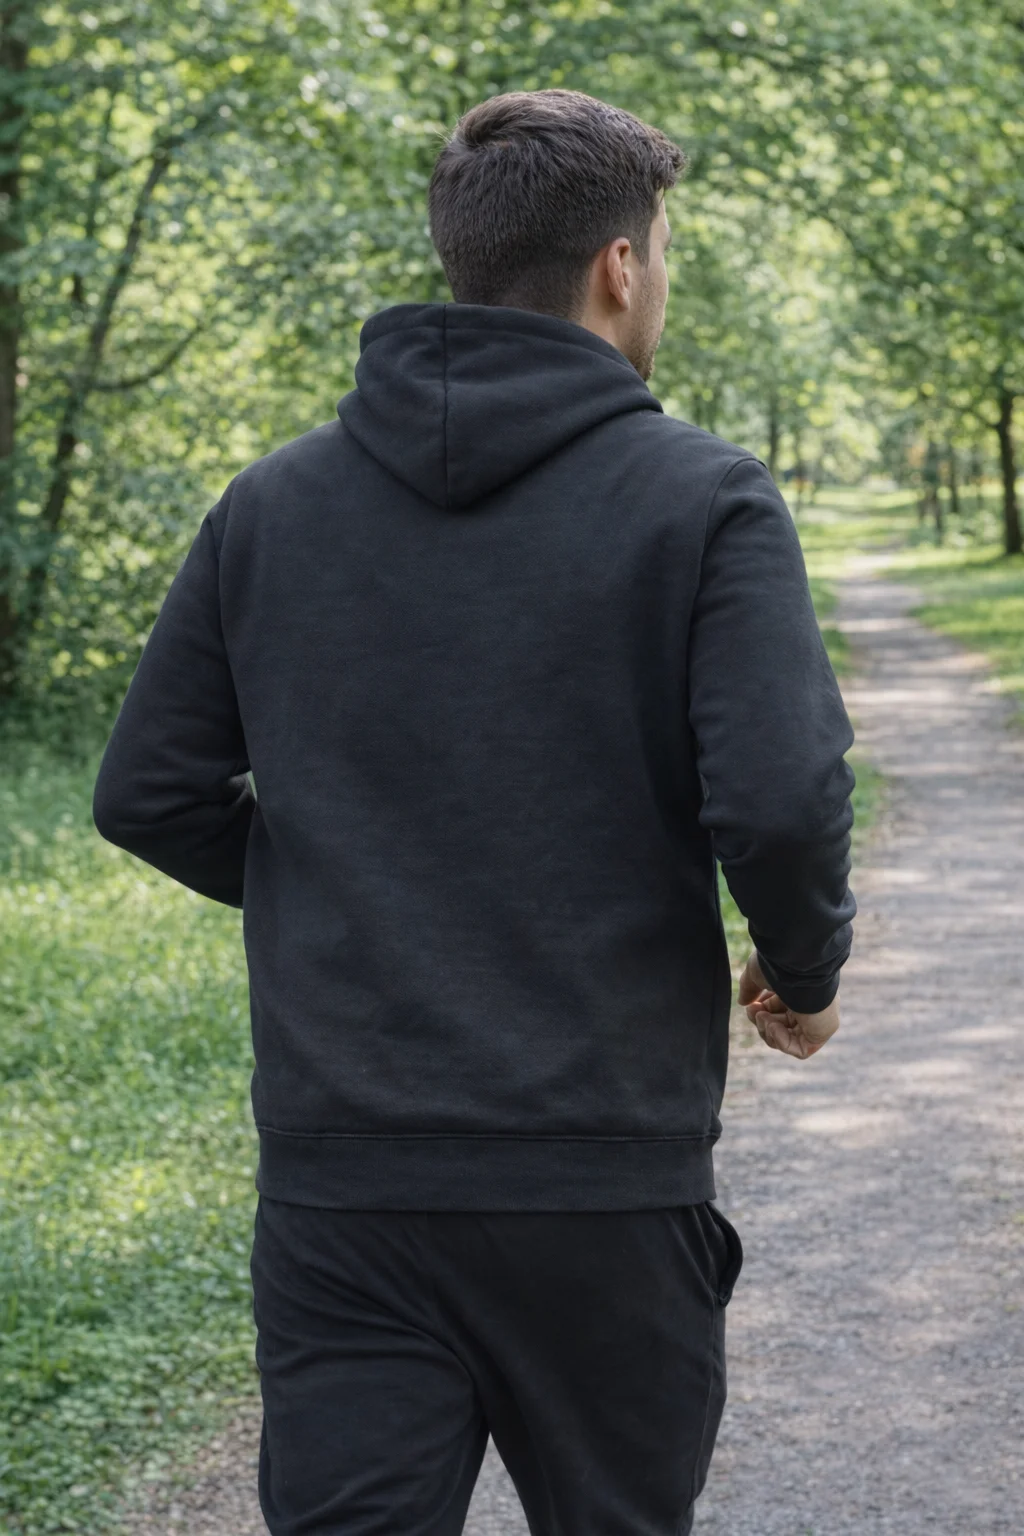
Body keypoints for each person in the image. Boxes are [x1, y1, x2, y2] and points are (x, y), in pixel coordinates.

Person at [92, 88, 856, 1536]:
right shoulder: (703, 498)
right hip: (603, 1175)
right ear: (619, 265)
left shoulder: (270, 505)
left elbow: (147, 792)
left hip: (345, 1184)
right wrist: (804, 975)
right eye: (664, 252)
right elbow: (779, 796)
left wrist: (358, 884)